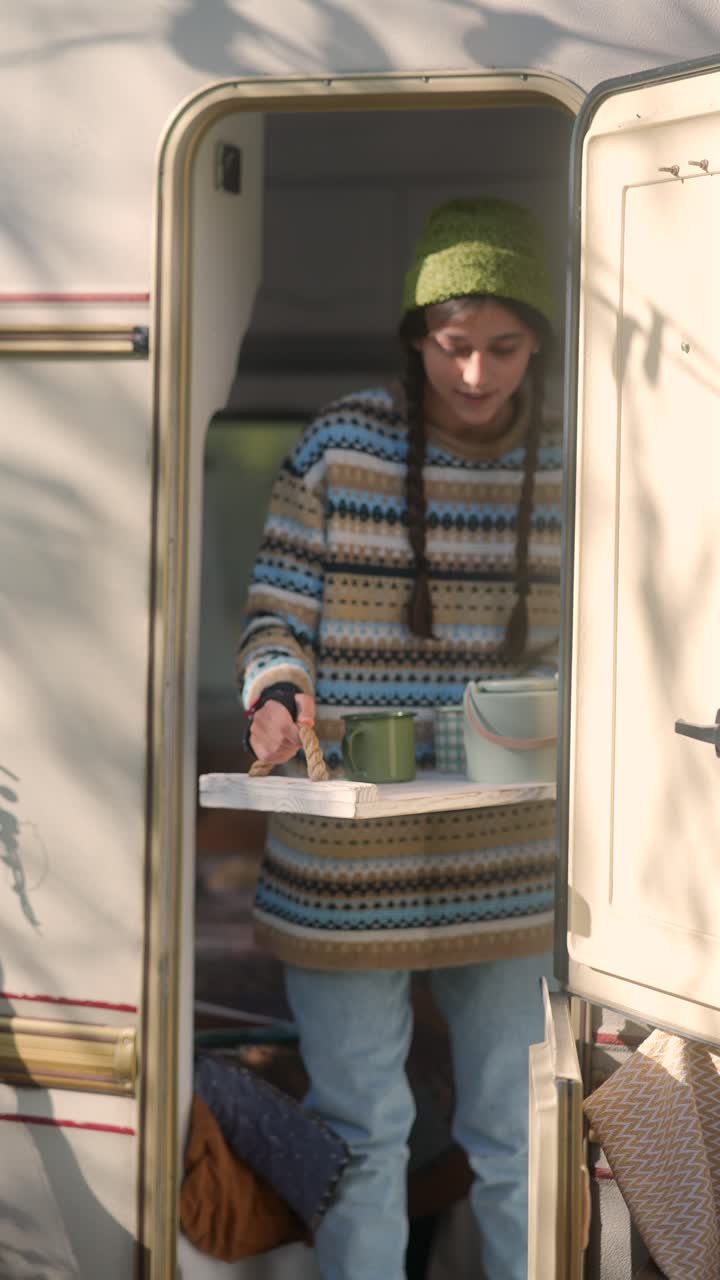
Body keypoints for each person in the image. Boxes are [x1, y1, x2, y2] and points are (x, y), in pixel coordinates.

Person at [235, 197, 561, 1280]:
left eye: (504, 348)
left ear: (538, 344)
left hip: (509, 858)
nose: (475, 373)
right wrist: (277, 695)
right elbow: (274, 616)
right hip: (345, 858)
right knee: (364, 1133)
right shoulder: (337, 446)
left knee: (519, 1139)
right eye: (454, 344)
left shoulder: (576, 458)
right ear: (417, 336)